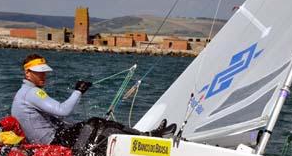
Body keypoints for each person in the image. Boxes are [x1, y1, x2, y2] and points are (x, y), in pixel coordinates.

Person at [11, 53, 175, 150]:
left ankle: (143, 137)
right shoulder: (32, 93)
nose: (43, 75)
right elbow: (63, 110)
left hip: (50, 139)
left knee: (94, 125)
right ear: (27, 73)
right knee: (97, 123)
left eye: (44, 72)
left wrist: (78, 124)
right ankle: (149, 138)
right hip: (52, 142)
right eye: (39, 72)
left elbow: (58, 119)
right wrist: (78, 91)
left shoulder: (23, 93)